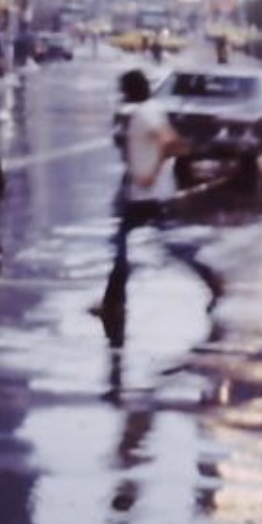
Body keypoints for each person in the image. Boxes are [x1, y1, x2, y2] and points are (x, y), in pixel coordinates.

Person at [94, 68, 218, 340]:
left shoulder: (143, 113)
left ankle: (211, 279)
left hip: (146, 195)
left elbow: (168, 144)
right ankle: (113, 302)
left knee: (145, 247)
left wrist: (151, 171)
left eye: (123, 88)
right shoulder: (153, 109)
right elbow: (175, 142)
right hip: (146, 193)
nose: (121, 94)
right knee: (127, 247)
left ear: (130, 90)